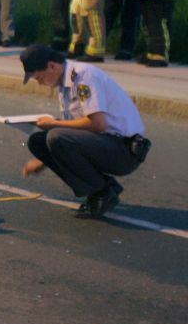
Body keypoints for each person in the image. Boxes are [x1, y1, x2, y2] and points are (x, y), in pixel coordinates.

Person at [19, 44, 148, 218]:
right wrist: (43, 161)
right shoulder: (64, 83)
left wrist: (54, 124)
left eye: (40, 78)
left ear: (52, 66)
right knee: (38, 141)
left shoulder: (82, 76)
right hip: (104, 144)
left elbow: (98, 124)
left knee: (56, 135)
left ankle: (102, 192)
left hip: (123, 151)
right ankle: (101, 188)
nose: (40, 83)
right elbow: (76, 133)